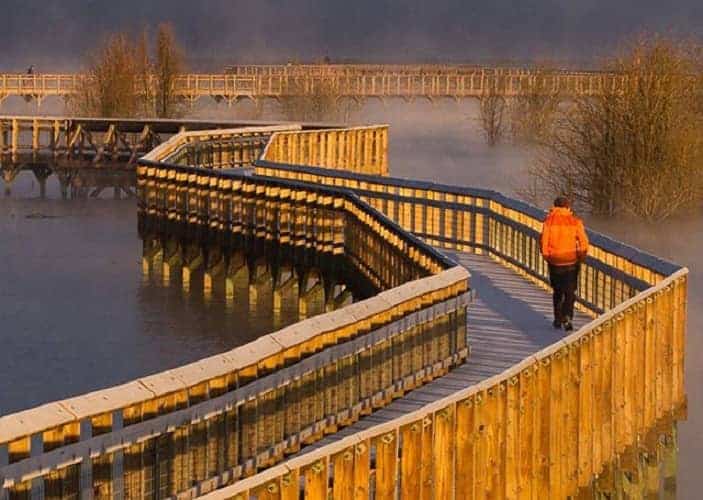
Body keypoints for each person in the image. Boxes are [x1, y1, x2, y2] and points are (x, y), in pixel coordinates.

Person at [540, 196, 589, 331]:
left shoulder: (548, 221)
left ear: (555, 206)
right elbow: (583, 242)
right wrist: (581, 256)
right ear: (568, 207)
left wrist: (547, 256)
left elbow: (544, 241)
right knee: (570, 291)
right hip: (571, 261)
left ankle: (557, 318)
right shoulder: (575, 221)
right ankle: (568, 316)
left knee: (557, 291)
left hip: (554, 261)